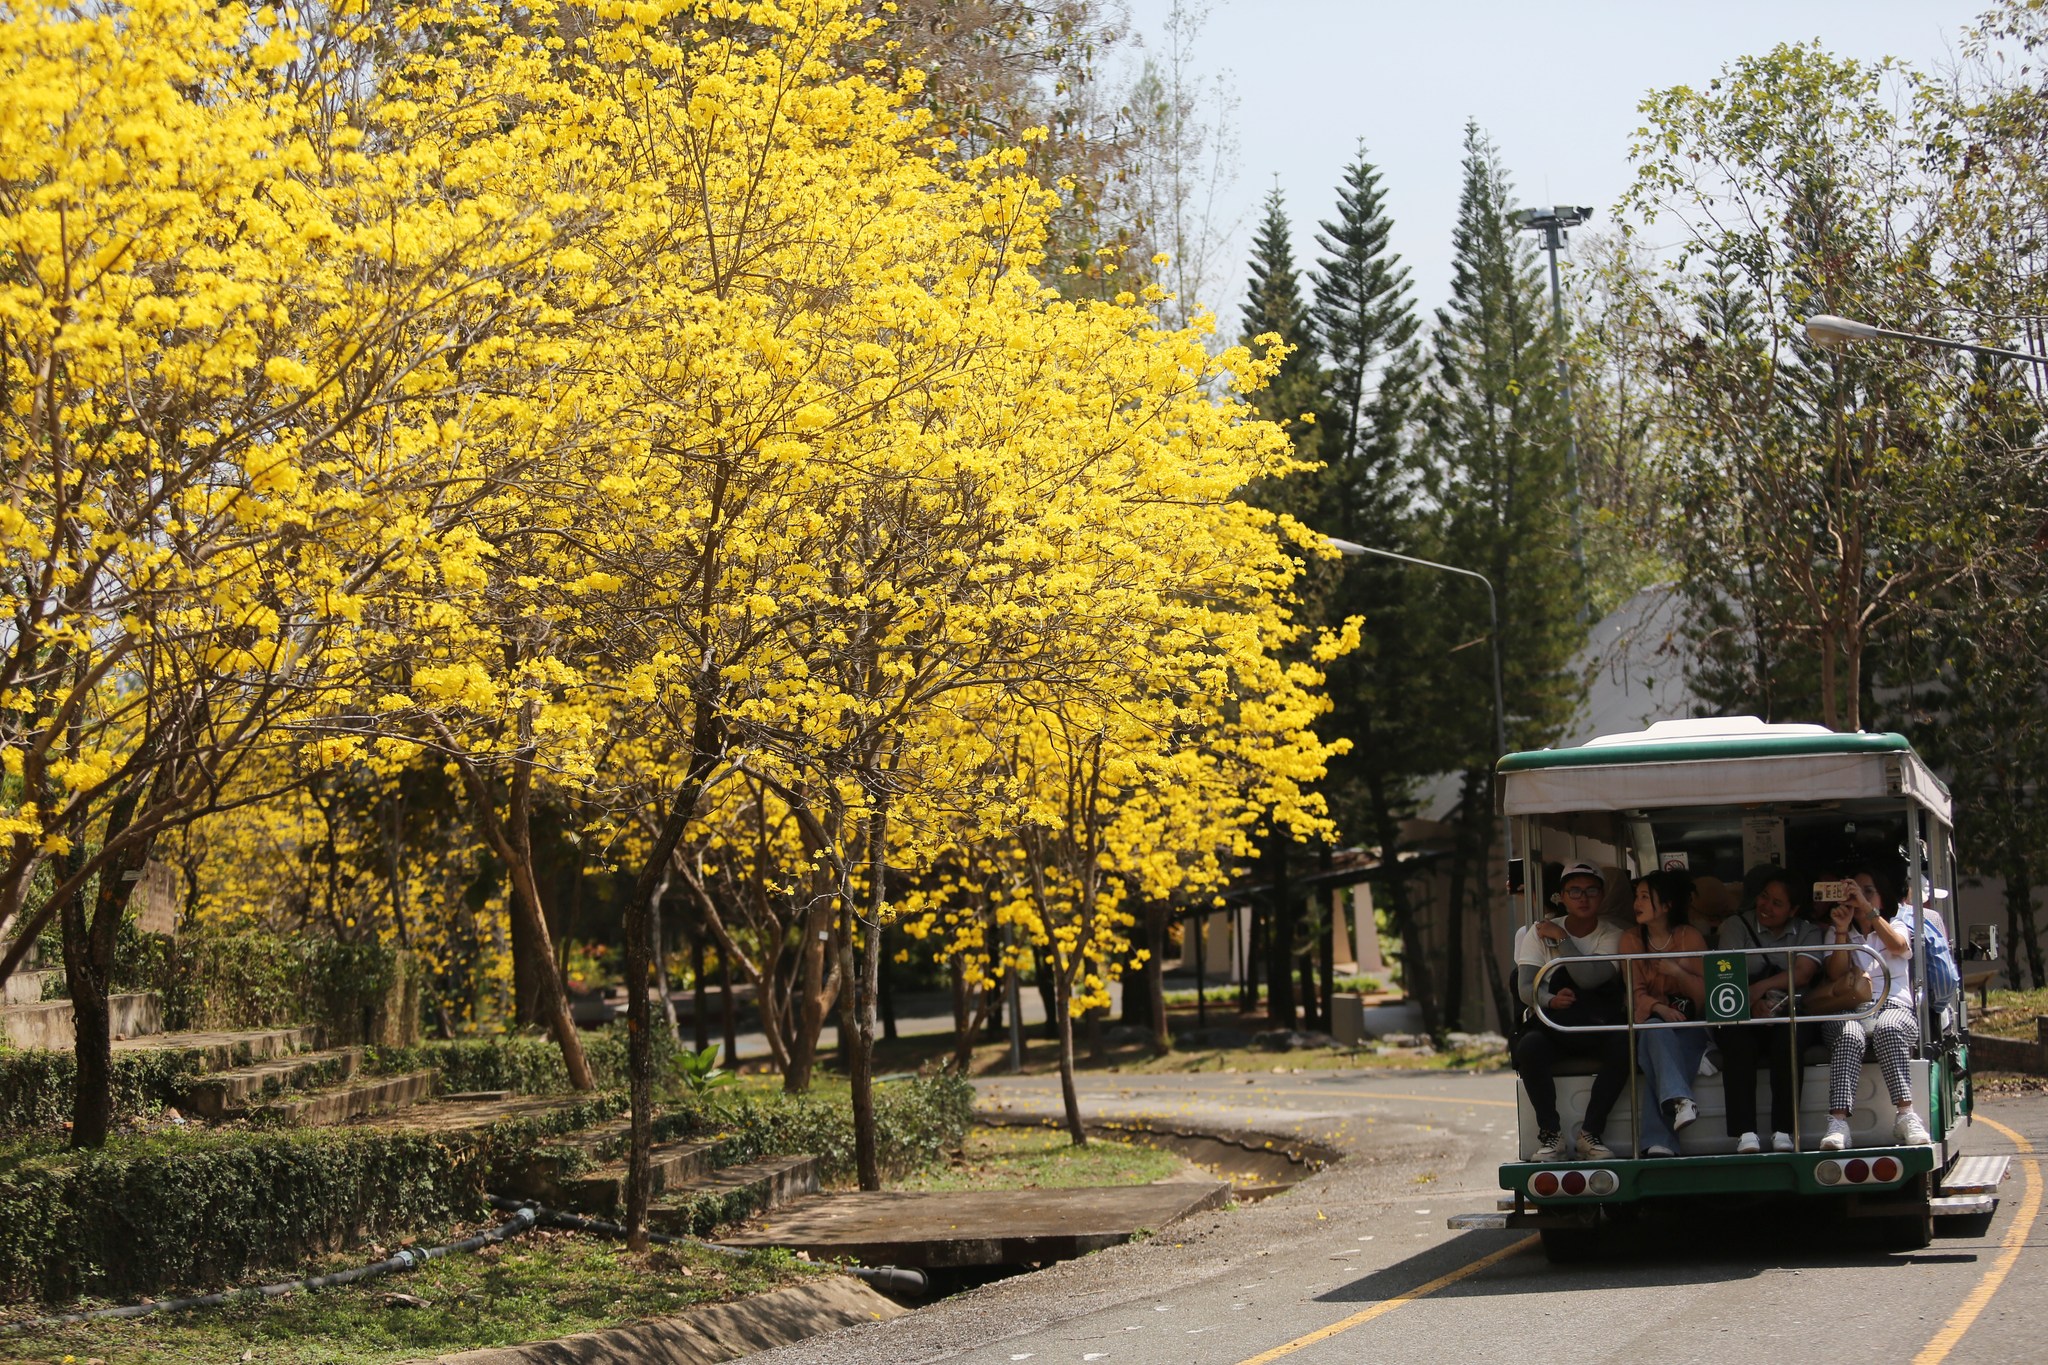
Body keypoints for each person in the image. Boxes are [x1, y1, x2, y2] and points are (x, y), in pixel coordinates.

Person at [1513, 862, 1629, 1161]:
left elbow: (1588, 978)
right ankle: (1551, 1134)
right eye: (1574, 891)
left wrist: (1562, 939)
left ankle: (1590, 1133)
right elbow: (1525, 987)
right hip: (1556, 1023)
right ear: (1561, 897)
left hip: (1598, 1022)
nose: (1583, 898)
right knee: (1529, 1047)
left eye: (1591, 891)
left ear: (1602, 895)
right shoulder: (1537, 933)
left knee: (1625, 1045)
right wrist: (1550, 999)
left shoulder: (1613, 934)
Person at [1818, 865, 1933, 1149]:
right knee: (1848, 1033)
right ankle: (1838, 1123)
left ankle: (1905, 1115)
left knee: (1889, 1027)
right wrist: (1842, 931)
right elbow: (1835, 974)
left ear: (1881, 897)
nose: (1859, 897)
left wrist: (1868, 910)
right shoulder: (1837, 930)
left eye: (1867, 891)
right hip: (1853, 1008)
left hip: (1894, 1006)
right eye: (1853, 892)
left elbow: (1898, 946)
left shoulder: (1895, 923)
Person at [1714, 866, 1822, 1153]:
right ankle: (1745, 1132)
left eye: (1777, 903)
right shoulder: (1736, 925)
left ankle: (1784, 1130)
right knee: (1736, 1039)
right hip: (1742, 1007)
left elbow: (1803, 974)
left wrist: (1762, 988)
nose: (1766, 906)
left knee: (1789, 1040)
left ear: (1793, 909)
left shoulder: (1808, 932)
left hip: (1789, 1010)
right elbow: (1726, 972)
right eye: (1764, 897)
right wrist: (1751, 1003)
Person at [1619, 870, 1708, 1157]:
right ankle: (1680, 1100)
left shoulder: (1689, 937)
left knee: (1655, 1051)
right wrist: (1660, 1008)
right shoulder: (1630, 940)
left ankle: (1661, 1140)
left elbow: (1705, 996)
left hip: (1689, 1024)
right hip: (1652, 1021)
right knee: (1654, 1030)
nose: (1637, 903)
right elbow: (1635, 994)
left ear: (1667, 905)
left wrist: (1678, 972)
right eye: (1637, 896)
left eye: (1645, 897)